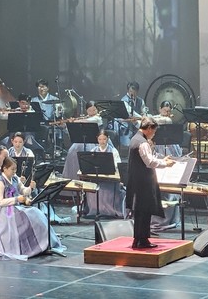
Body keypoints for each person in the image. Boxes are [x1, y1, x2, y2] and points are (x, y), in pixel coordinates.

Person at [0, 156, 65, 260]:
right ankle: (29, 245)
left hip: (15, 206)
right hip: (2, 211)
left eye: (15, 169)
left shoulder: (15, 178)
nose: (14, 172)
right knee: (28, 216)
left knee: (37, 213)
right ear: (5, 168)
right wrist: (17, 199)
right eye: (12, 169)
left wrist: (30, 188)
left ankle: (43, 243)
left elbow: (23, 191)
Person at [126, 116, 175, 249]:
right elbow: (149, 162)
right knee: (145, 212)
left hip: (137, 181)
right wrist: (165, 163)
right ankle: (143, 240)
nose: (154, 134)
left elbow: (146, 159)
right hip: (144, 183)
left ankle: (138, 239)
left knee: (139, 212)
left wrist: (162, 159)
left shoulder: (134, 139)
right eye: (154, 131)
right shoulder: (142, 143)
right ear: (148, 128)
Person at [65, 131, 125, 219]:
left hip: (109, 178)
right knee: (92, 189)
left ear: (107, 139)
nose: (102, 141)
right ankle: (94, 210)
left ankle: (110, 211)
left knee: (108, 190)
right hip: (96, 177)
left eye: (104, 139)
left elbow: (117, 164)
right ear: (97, 139)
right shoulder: (93, 150)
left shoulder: (113, 150)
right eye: (100, 139)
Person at [117, 81, 148, 146]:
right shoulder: (124, 100)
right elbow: (130, 113)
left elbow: (143, 112)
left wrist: (144, 116)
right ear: (128, 90)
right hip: (127, 125)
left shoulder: (140, 100)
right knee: (128, 144)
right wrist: (141, 117)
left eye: (135, 92)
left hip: (137, 124)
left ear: (137, 91)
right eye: (131, 91)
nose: (132, 93)